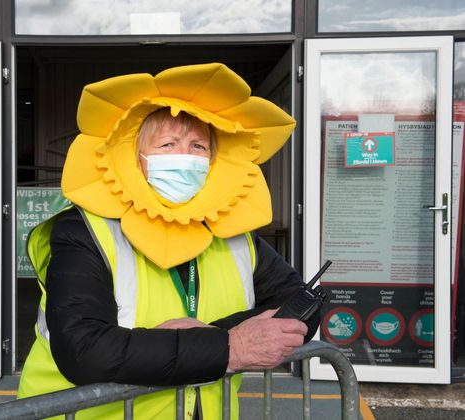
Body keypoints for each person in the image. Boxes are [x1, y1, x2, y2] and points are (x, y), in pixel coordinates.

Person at [18, 63, 319, 419]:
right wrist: (229, 346)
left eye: (199, 146)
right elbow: (85, 350)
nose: (186, 158)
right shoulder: (84, 231)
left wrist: (213, 341)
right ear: (135, 157)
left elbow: (302, 304)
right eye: (168, 144)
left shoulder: (232, 232)